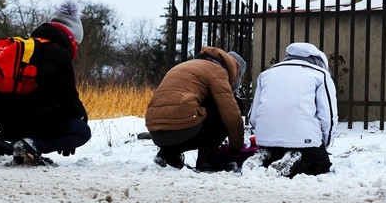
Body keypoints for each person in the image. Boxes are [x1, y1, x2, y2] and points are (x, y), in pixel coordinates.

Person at [0, 0, 91, 165]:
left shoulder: (24, 47)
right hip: (32, 121)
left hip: (3, 119)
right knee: (81, 132)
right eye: (77, 43)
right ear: (71, 37)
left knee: (41, 112)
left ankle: (23, 146)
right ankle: (33, 145)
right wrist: (80, 116)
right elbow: (68, 97)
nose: (77, 48)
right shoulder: (59, 54)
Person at [245, 42, 338, 178]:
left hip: (267, 137)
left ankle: (263, 157)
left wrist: (263, 134)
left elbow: (253, 115)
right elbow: (327, 116)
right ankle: (294, 158)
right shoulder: (320, 75)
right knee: (321, 164)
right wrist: (324, 142)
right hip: (304, 138)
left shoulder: (266, 74)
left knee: (274, 154)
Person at [145, 46, 246, 170]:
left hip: (156, 132)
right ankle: (207, 160)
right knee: (231, 105)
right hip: (181, 129)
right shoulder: (217, 71)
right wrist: (236, 147)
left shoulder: (184, 66)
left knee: (192, 107)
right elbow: (232, 116)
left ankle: (168, 154)